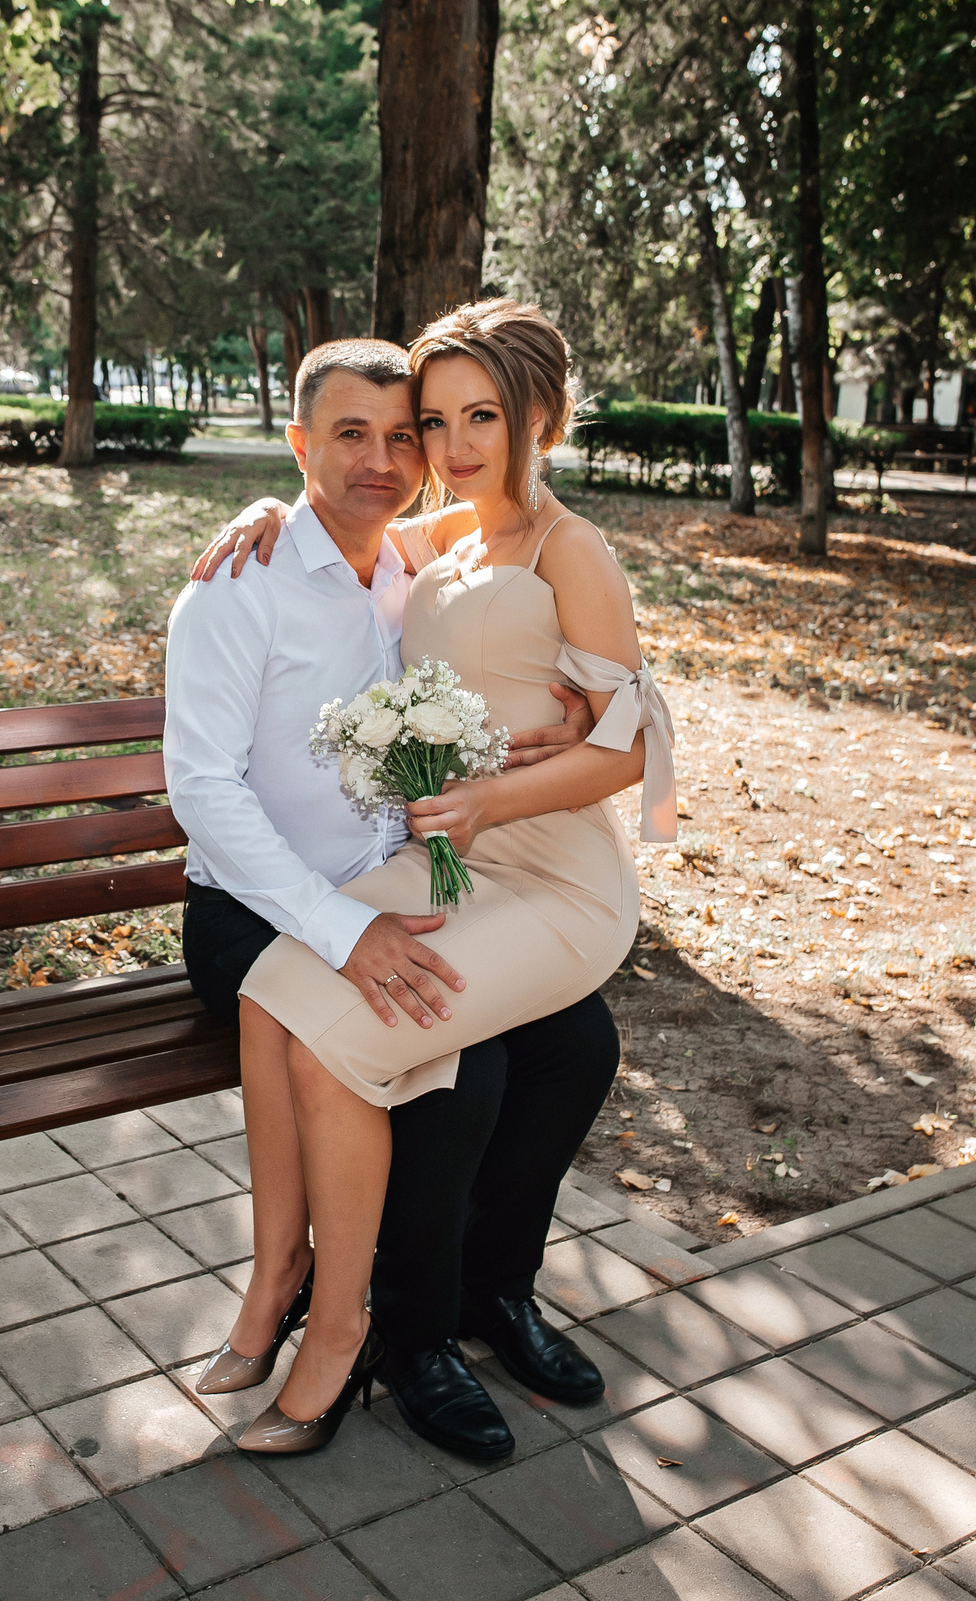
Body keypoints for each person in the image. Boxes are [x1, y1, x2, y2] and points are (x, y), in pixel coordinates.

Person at [162, 303, 676, 1461]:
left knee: (521, 1048)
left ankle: (403, 1319)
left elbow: (638, 742)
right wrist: (268, 510)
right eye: (424, 421)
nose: (425, 450)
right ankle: (312, 1293)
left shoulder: (560, 545)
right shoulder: (424, 541)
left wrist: (498, 788)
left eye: (465, 418)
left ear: (535, 416)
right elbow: (332, 531)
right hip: (429, 868)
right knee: (293, 1000)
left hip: (537, 868)